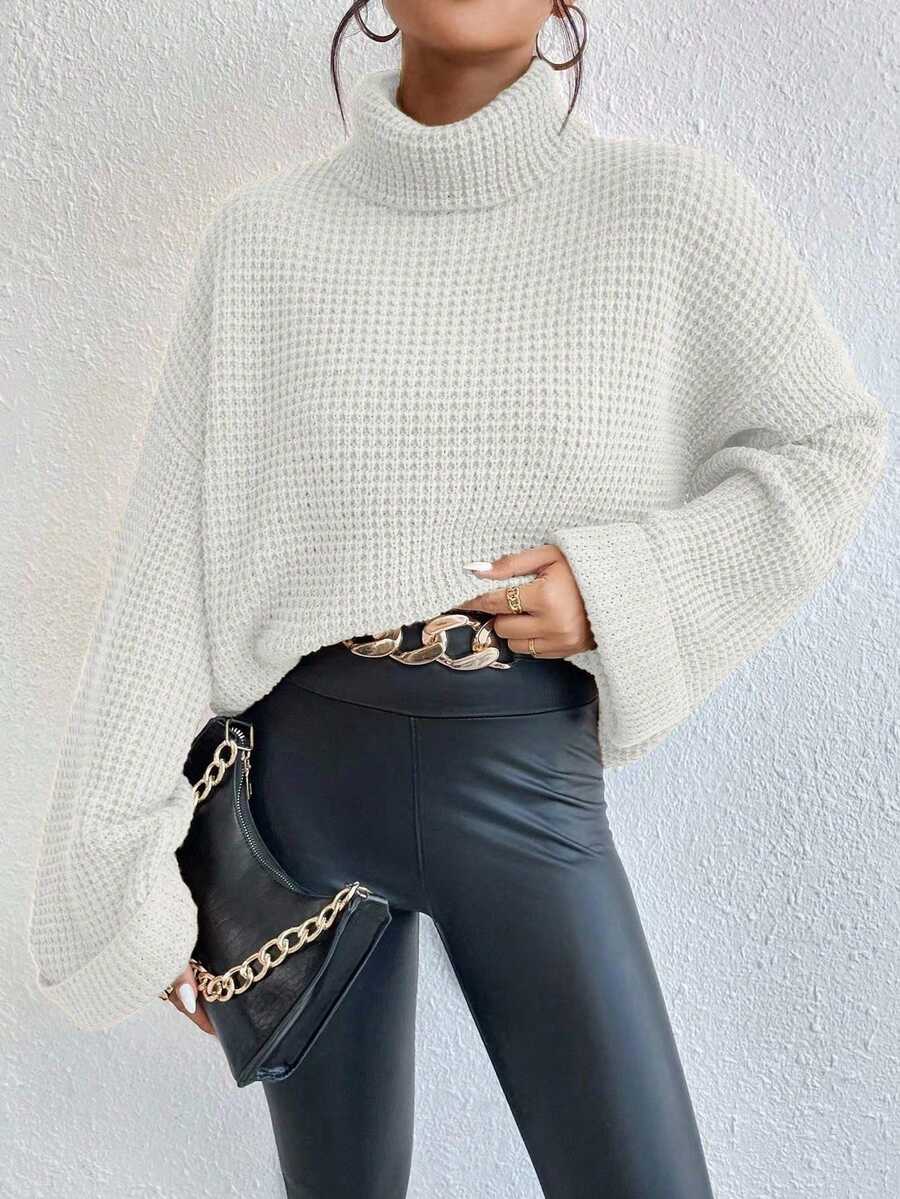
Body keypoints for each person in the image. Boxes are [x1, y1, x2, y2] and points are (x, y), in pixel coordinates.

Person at [27, 2, 887, 1196]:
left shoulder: (666, 211)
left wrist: (622, 587)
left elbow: (829, 446)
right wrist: (118, 872)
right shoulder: (266, 242)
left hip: (520, 772)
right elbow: (172, 568)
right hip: (294, 791)